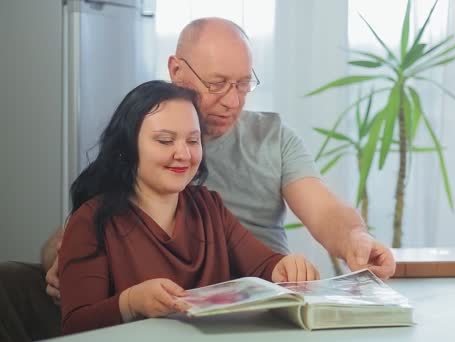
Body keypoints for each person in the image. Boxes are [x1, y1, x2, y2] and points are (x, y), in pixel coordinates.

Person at [0, 16, 395, 341]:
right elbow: (83, 231)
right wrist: (68, 265)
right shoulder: (134, 140)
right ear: (176, 71)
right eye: (218, 83)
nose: (233, 100)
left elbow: (323, 212)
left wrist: (350, 242)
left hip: (254, 311)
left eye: (243, 84)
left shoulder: (225, 188)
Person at [58, 80, 319, 335]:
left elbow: (264, 265)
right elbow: (75, 326)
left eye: (193, 141)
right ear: (127, 147)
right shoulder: (92, 221)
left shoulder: (210, 207)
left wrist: (286, 267)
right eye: (165, 141)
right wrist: (130, 302)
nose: (183, 154)